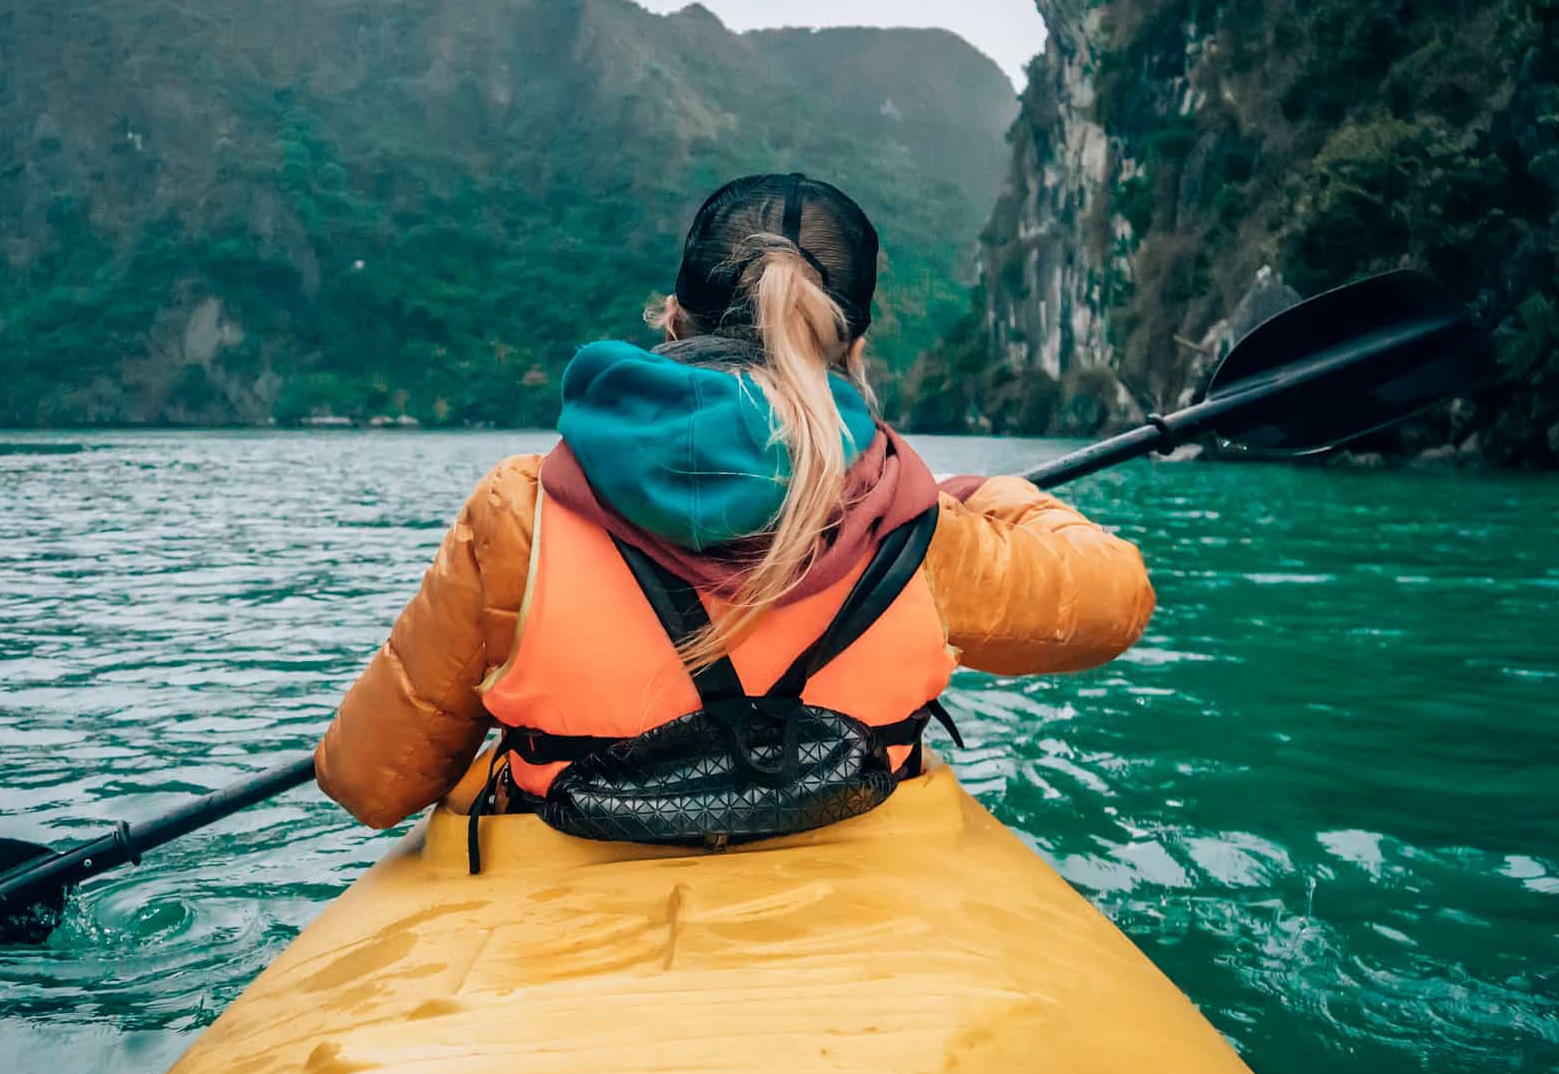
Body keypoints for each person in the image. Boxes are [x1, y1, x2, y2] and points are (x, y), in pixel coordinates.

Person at [316, 173, 1153, 832]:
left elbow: (369, 782)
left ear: (674, 319)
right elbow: (1115, 600)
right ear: (851, 346)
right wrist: (989, 495)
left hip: (562, 933)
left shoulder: (518, 515)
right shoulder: (916, 526)